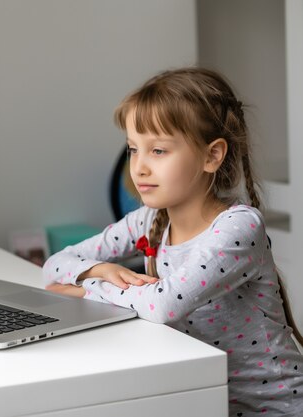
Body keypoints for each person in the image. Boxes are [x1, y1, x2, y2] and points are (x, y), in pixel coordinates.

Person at [43, 67, 303, 416]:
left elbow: (163, 305)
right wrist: (100, 269)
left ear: (212, 156)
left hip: (273, 408)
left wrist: (88, 289)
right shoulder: (150, 220)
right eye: (134, 150)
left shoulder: (238, 229)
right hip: (205, 398)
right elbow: (55, 264)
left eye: (159, 151)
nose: (139, 168)